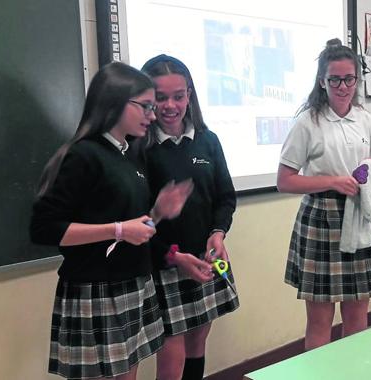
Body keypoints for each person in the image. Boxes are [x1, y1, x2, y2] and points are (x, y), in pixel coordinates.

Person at [29, 62, 213, 380]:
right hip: (97, 288)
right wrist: (117, 229)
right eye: (145, 106)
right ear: (114, 102)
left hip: (133, 283)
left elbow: (135, 228)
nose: (152, 116)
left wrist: (157, 213)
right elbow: (45, 228)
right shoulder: (84, 155)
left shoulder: (129, 155)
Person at [277, 38, 371, 351]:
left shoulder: (366, 120)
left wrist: (367, 172)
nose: (342, 86)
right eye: (334, 79)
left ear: (357, 79)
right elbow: (284, 181)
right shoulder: (308, 122)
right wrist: (333, 181)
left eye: (349, 79)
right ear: (322, 82)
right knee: (320, 318)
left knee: (357, 312)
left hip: (358, 214)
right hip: (321, 219)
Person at [140, 54, 239, 380]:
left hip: (206, 258)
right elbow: (137, 221)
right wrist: (173, 256)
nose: (170, 105)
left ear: (190, 96)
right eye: (160, 97)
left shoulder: (207, 140)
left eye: (179, 96)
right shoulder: (140, 147)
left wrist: (218, 233)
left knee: (198, 342)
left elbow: (225, 197)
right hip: (166, 263)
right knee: (172, 356)